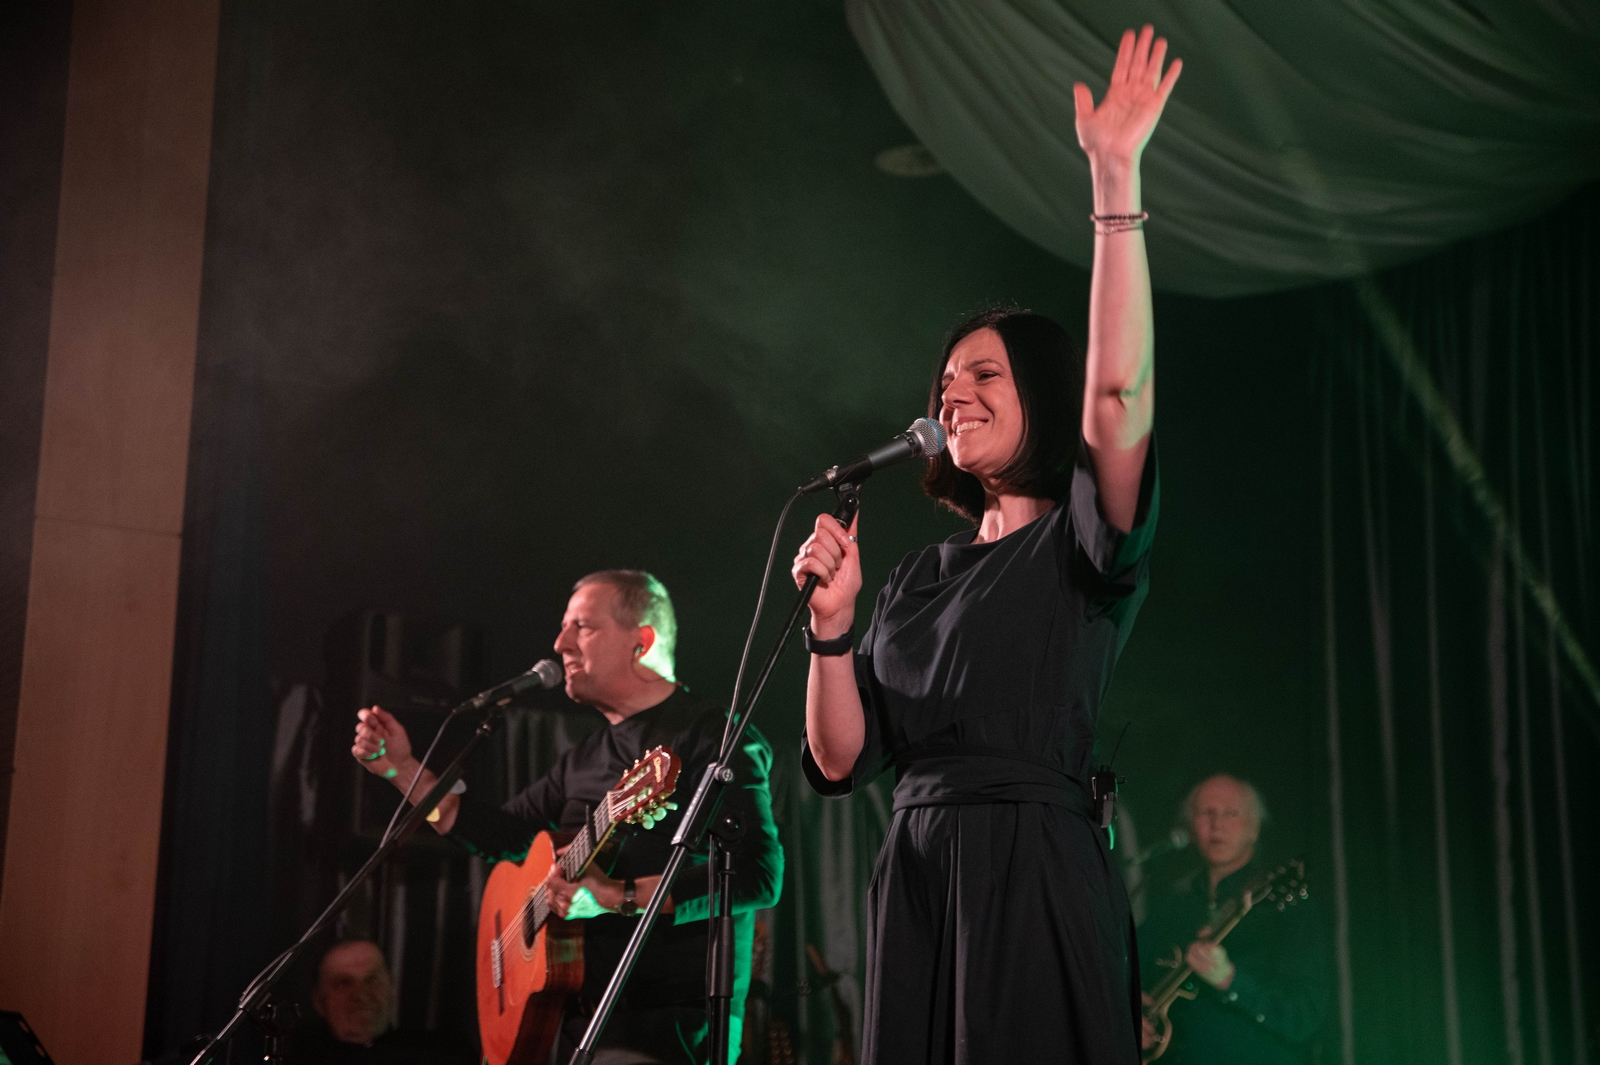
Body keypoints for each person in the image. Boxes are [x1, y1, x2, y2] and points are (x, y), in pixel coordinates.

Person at [790, 25, 1180, 1065]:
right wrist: (832, 631)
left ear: (1042, 398)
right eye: (945, 381)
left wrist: (1114, 182)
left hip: (1032, 866)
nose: (952, 393)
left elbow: (1119, 394)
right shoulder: (915, 578)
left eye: (985, 375)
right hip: (919, 871)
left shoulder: (1083, 545)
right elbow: (841, 759)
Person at [351, 571, 783, 1065]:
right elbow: (498, 835)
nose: (560, 645)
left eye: (583, 627)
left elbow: (759, 876)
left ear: (642, 642)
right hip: (571, 1023)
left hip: (664, 1028)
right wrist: (403, 770)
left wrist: (617, 896)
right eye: (563, 629)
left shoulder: (713, 736)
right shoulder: (583, 757)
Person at [1136, 775, 1328, 1065]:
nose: (1217, 824)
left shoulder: (1287, 908)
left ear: (1254, 828)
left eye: (1231, 813)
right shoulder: (1171, 909)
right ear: (1191, 827)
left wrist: (1231, 981)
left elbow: (1304, 1016)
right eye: (1206, 813)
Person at [286, 940, 465, 1064]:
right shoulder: (291, 1057)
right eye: (344, 983)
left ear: (391, 988)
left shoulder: (443, 1054)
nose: (361, 995)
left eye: (372, 980)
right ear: (318, 1001)